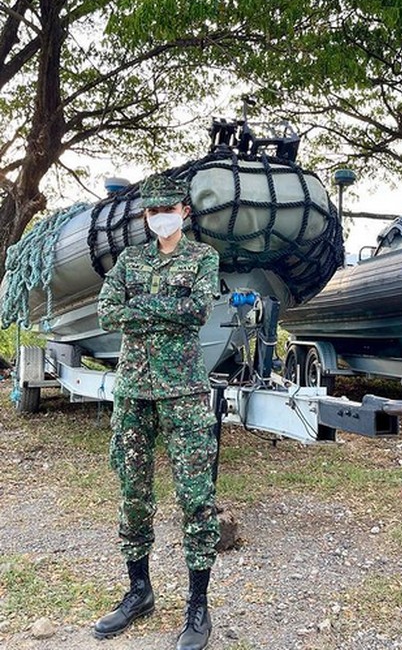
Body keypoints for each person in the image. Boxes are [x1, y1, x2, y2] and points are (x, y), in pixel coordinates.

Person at [94, 173, 221, 650]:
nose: (159, 217)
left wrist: (140, 306)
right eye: (151, 211)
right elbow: (108, 311)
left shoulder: (202, 258)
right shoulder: (130, 259)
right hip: (134, 392)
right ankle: (139, 591)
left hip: (184, 391)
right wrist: (165, 305)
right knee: (133, 494)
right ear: (145, 216)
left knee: (194, 498)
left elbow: (197, 312)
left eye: (167, 208)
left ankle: (197, 605)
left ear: (184, 211)